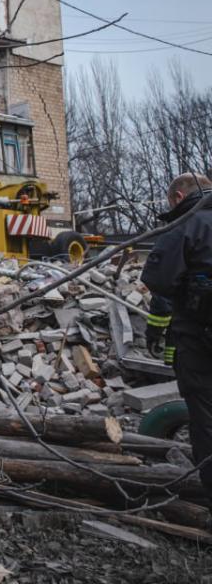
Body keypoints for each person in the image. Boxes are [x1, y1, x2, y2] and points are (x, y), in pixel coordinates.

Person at [142, 172, 212, 503]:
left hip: (200, 341)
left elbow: (159, 281)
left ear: (179, 198)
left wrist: (155, 332)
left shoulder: (186, 226)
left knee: (206, 420)